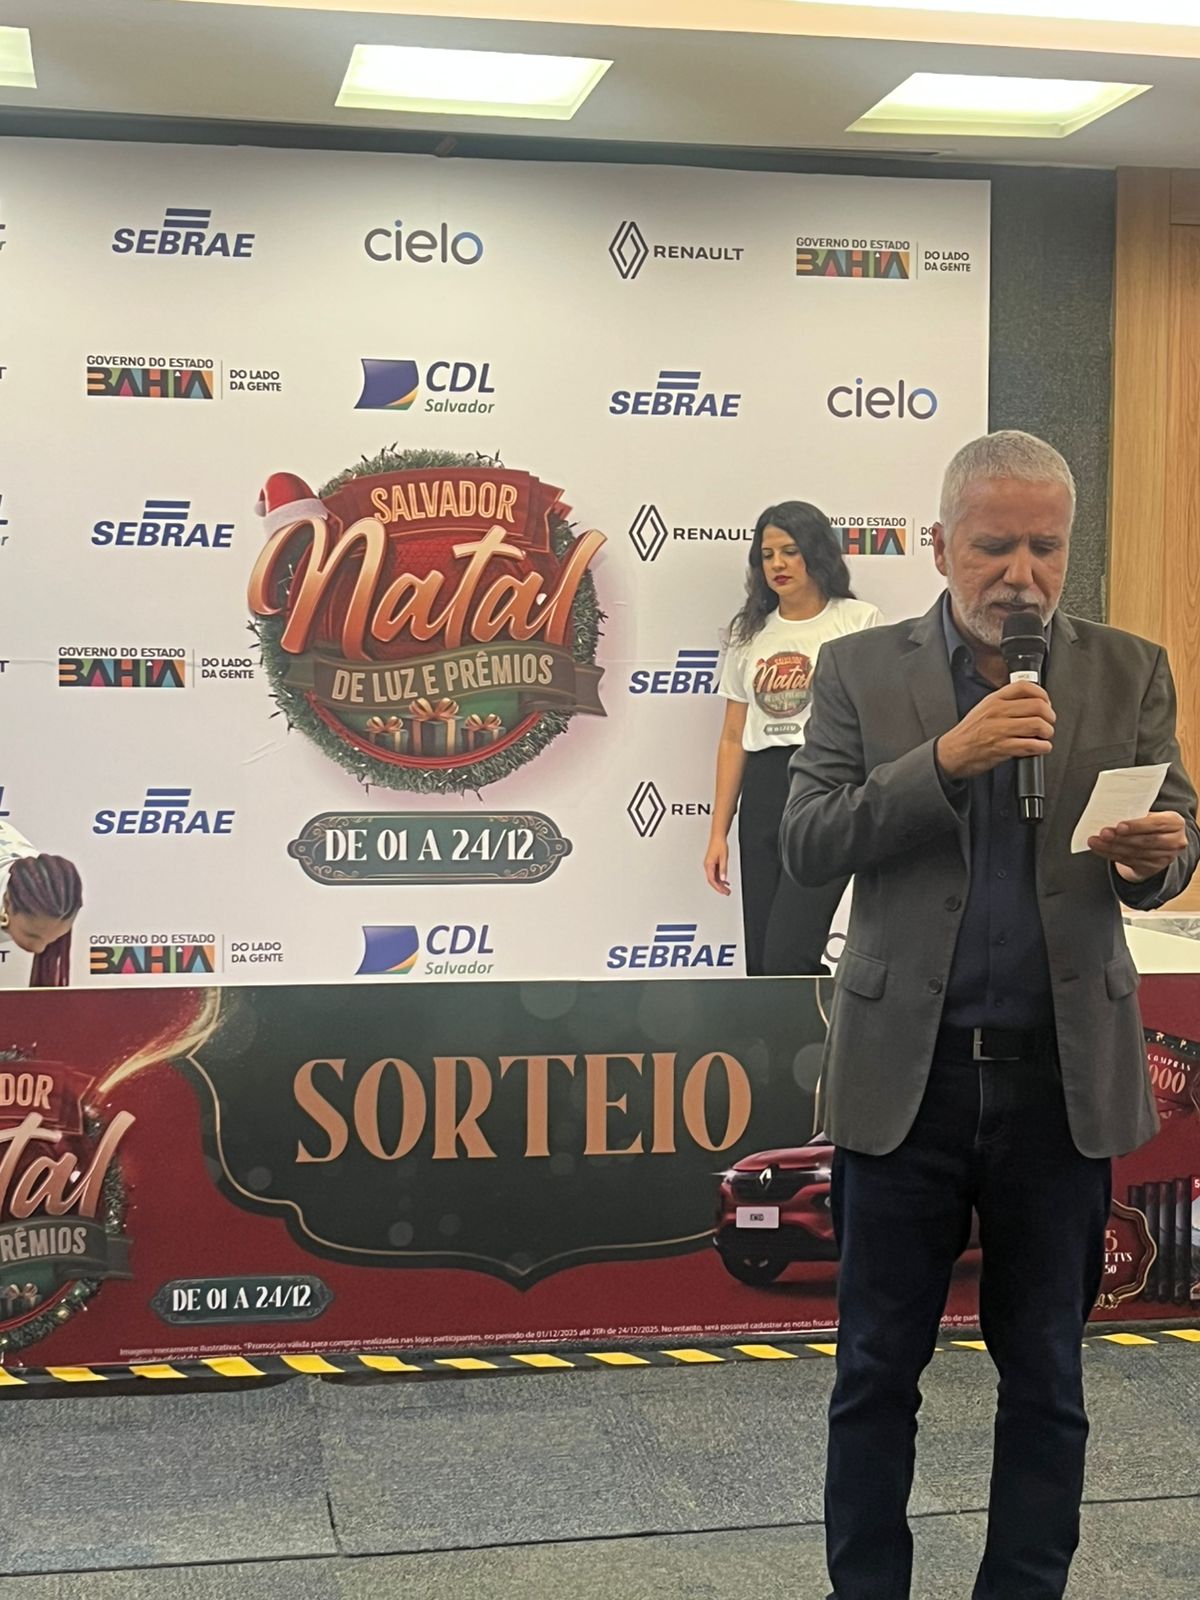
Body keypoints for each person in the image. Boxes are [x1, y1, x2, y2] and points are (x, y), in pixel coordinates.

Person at [780, 431, 1199, 1600]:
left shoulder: (1128, 670)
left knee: (1048, 1374)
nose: (1022, 574)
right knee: (875, 1370)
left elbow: (1172, 836)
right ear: (938, 544)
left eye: (1046, 548)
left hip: (1061, 1085)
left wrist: (1157, 860)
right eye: (994, 546)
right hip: (905, 1085)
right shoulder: (858, 671)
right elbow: (806, 841)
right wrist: (947, 759)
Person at [704, 501, 882, 975]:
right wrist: (718, 833)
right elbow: (732, 737)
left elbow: (876, 722)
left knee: (791, 954)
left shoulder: (858, 621)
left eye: (789, 551)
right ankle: (788, 1028)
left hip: (828, 784)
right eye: (767, 555)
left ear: (816, 552)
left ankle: (827, 1025)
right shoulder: (748, 633)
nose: (777, 564)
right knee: (762, 963)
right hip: (764, 788)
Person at [0, 820, 82, 987]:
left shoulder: (49, 887)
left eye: (55, 938)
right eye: (31, 935)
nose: (39, 949)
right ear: (8, 904)